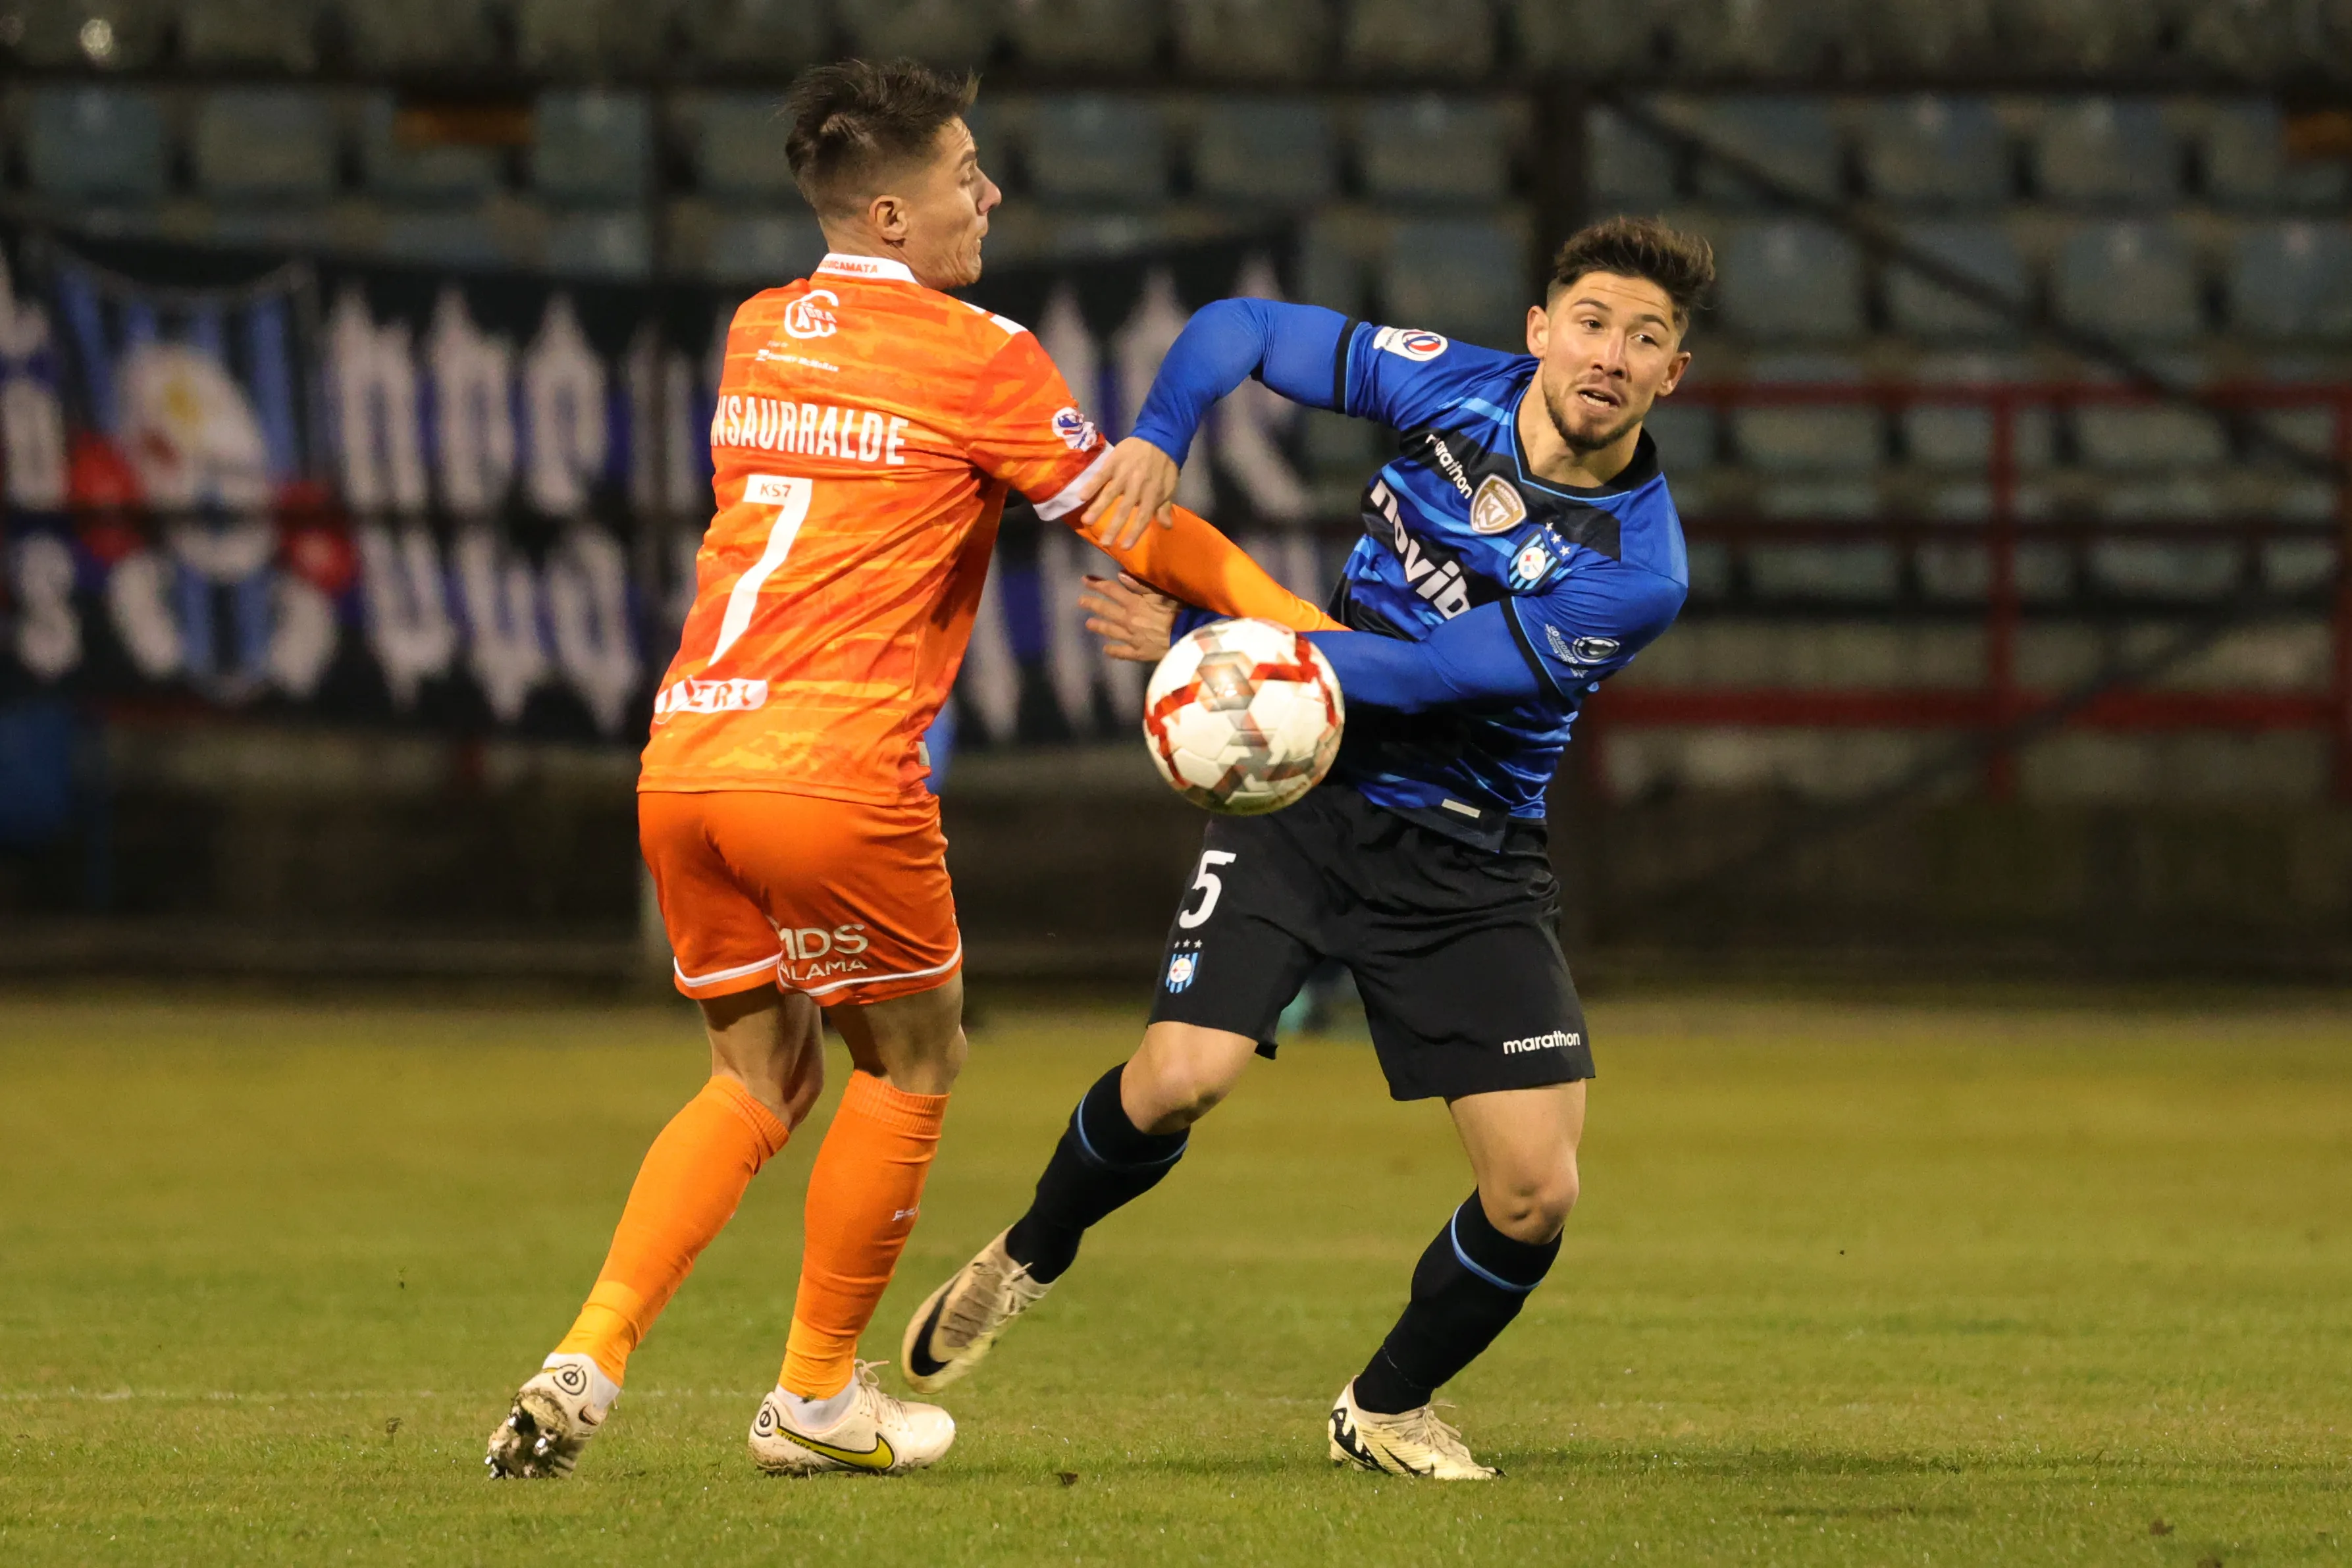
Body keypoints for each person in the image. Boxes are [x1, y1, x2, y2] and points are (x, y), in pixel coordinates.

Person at [485, 57, 1336, 1481]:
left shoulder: (761, 331)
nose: (987, 194)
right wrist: (1306, 636)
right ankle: (816, 1397)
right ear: (890, 212)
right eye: (962, 176)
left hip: (689, 754)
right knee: (919, 1055)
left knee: (758, 1074)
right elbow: (1136, 526)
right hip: (829, 771)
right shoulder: (977, 354)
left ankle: (592, 1348)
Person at [902, 217, 1715, 1480]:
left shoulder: (1639, 567)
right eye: (1595, 322)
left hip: (1469, 854)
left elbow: (1441, 675)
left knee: (1534, 1196)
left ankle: (1384, 1405)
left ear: (1675, 375)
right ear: (1543, 332)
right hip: (1309, 790)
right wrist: (1159, 440)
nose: (1613, 354)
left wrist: (1214, 635)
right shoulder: (1452, 380)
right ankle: (1024, 1256)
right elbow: (1239, 329)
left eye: (1648, 338)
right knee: (1181, 1076)